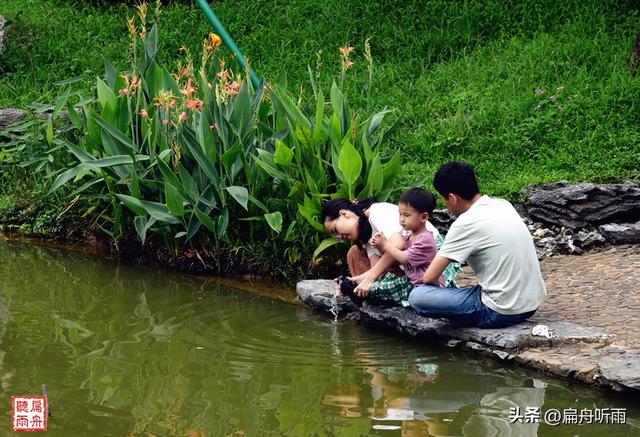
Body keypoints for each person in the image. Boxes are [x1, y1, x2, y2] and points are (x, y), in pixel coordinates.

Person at [408, 162, 546, 328]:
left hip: (499, 311)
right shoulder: (502, 205)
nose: (445, 204)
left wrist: (438, 294)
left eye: (443, 199)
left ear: (452, 198)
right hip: (531, 304)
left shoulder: (465, 223)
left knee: (418, 296)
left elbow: (429, 277)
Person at [322, 196, 460, 297]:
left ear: (344, 214)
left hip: (433, 264)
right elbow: (378, 270)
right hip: (410, 268)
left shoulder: (377, 211)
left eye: (335, 230)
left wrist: (369, 279)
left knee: (375, 285)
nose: (339, 237)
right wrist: (353, 281)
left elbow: (398, 243)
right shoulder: (364, 233)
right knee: (354, 255)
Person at [367, 188, 446, 306]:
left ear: (423, 217)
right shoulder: (409, 234)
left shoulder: (425, 239)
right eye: (400, 214)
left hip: (430, 287)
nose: (401, 219)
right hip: (414, 282)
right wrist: (380, 246)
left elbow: (404, 258)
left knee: (382, 289)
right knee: (385, 285)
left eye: (407, 215)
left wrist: (385, 244)